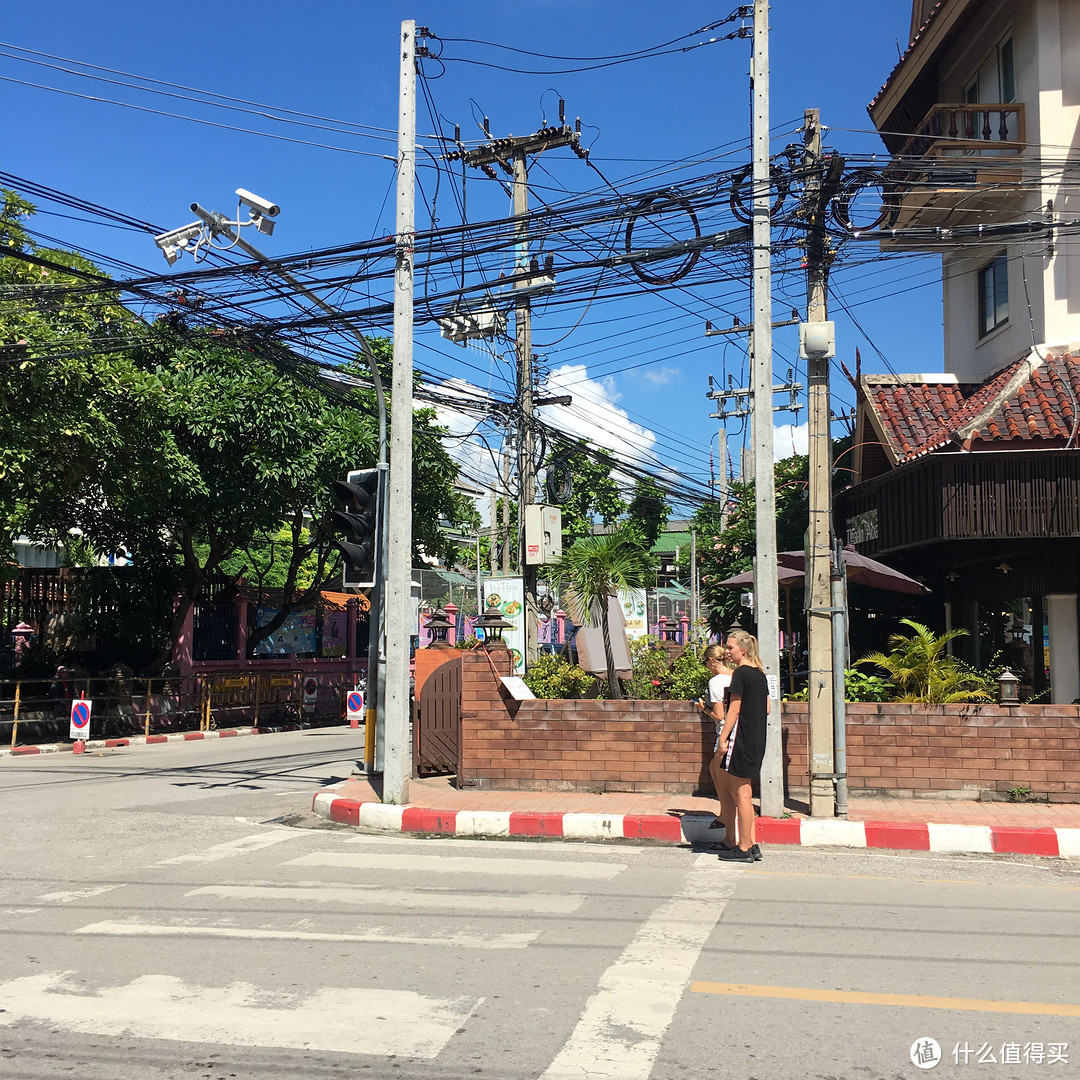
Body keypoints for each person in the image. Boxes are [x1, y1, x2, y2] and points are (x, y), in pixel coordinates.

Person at [715, 629, 770, 863]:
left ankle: (744, 846)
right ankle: (752, 844)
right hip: (758, 739)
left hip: (742, 738)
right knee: (745, 792)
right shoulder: (760, 674)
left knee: (742, 795)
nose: (727, 651)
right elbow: (767, 708)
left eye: (730, 647)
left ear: (743, 650)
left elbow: (734, 710)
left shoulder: (740, 674)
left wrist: (723, 737)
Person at [696, 644, 735, 842]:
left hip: (724, 734)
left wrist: (704, 709)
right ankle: (723, 815)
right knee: (716, 769)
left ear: (712, 661)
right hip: (739, 733)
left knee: (723, 782)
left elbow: (720, 715)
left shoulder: (716, 682)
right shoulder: (736, 676)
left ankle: (726, 819)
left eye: (706, 662)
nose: (707, 667)